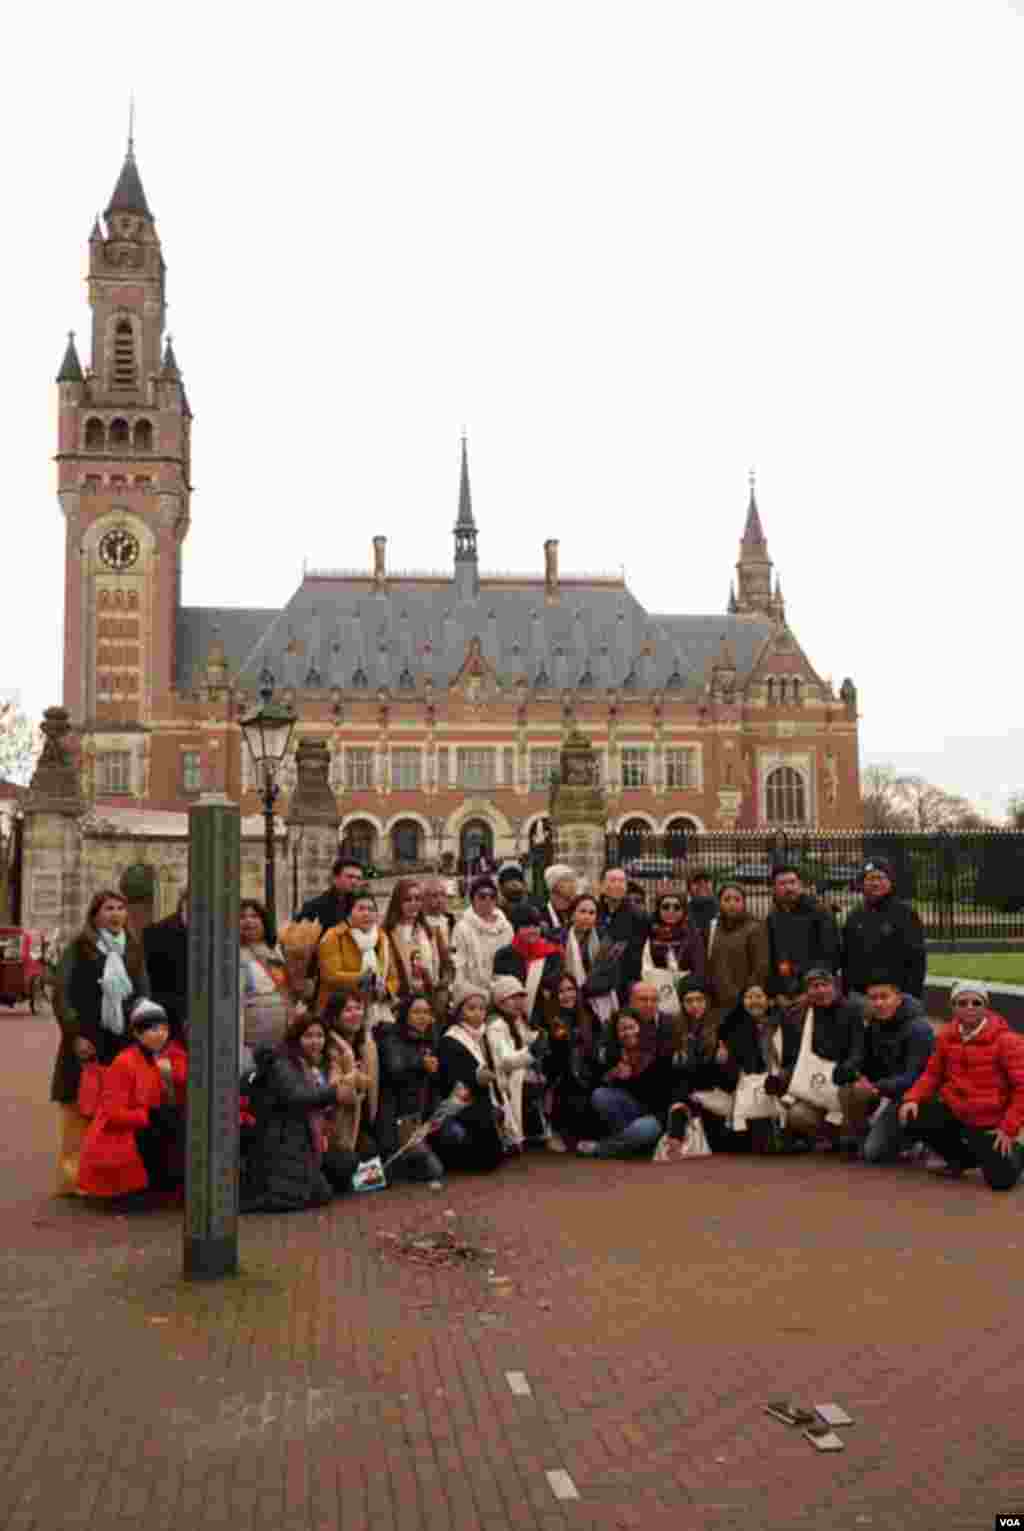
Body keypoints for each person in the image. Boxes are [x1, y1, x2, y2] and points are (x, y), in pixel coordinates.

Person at [51, 889, 150, 1196]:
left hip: (121, 1040)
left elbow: (143, 991)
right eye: (109, 908)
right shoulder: (79, 948)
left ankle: (107, 1177)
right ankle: (72, 1179)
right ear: (95, 914)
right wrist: (74, 1034)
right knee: (79, 1108)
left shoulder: (132, 949)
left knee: (113, 1109)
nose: (116, 914)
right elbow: (61, 993)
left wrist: (143, 1027)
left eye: (121, 908)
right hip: (85, 1039)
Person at [898, 980, 1024, 1191]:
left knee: (1000, 1182)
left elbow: (1022, 1087)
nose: (969, 1007)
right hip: (956, 1112)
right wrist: (912, 1098)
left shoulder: (1007, 1041)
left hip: (990, 1122)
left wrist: (1008, 1128)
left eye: (976, 1002)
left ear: (986, 1006)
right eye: (962, 1002)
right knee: (912, 1115)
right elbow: (932, 1074)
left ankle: (1017, 1152)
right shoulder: (947, 1036)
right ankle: (960, 1160)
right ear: (953, 1007)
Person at [242, 1014, 354, 1212]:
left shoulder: (307, 1064)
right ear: (296, 1038)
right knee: (317, 1192)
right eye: (308, 1036)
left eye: (320, 1036)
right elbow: (297, 1096)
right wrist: (334, 1093)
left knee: (339, 1174)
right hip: (280, 1147)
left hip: (298, 1144)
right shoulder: (283, 1063)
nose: (315, 1042)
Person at [78, 999, 187, 1199]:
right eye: (152, 1029)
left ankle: (165, 1185)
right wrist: (148, 1116)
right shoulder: (125, 1062)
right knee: (169, 1123)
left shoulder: (165, 1055)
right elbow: (113, 1114)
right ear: (137, 1033)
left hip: (147, 1122)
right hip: (122, 1131)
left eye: (164, 1028)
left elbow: (185, 1079)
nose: (161, 1034)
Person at [832, 976, 933, 1162]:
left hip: (913, 1097)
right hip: (886, 1091)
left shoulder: (919, 1029)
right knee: (848, 1091)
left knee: (874, 1153)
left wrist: (877, 1087)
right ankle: (862, 1139)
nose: (878, 1003)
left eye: (884, 997)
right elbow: (864, 1063)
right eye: (873, 998)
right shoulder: (873, 1025)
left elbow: (916, 1076)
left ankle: (916, 1140)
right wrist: (848, 1068)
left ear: (898, 998)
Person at [773, 969, 865, 1150]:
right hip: (812, 1084)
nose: (821, 990)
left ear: (835, 987)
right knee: (796, 1115)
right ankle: (828, 1136)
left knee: (858, 1092)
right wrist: (784, 1079)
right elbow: (791, 1057)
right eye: (815, 987)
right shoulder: (798, 1015)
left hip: (843, 1083)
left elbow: (859, 1050)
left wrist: (848, 1067)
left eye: (825, 985)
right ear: (807, 991)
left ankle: (852, 1132)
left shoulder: (851, 1011)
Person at [577, 999, 673, 1159]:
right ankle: (630, 1144)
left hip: (656, 1114)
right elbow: (596, 1083)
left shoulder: (656, 1049)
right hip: (631, 1111)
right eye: (622, 1029)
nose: (628, 1033)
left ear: (640, 1027)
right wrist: (613, 1076)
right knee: (600, 1095)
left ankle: (603, 1148)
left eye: (631, 1027)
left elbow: (663, 1092)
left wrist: (634, 1077)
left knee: (640, 1130)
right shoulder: (614, 1052)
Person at [717, 983, 799, 1152]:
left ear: (768, 1001)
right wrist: (725, 1061)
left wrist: (782, 1076)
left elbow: (793, 1058)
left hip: (782, 1084)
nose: (754, 1001)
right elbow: (732, 1068)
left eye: (759, 996)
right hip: (748, 1089)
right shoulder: (733, 1027)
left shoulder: (783, 1024)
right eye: (749, 997)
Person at [375, 995, 445, 1185]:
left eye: (426, 1012)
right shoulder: (392, 1036)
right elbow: (394, 1068)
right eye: (416, 1012)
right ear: (405, 1015)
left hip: (416, 1119)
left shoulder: (429, 1039)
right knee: (429, 1170)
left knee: (437, 1166)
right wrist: (420, 1064)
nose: (422, 1017)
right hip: (393, 1118)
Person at [435, 987, 505, 1171]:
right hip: (460, 1104)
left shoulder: (483, 1035)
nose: (477, 1014)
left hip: (481, 1098)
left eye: (482, 1009)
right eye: (471, 1008)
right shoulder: (451, 1039)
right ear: (459, 1012)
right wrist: (476, 1077)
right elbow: (450, 1079)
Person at [842, 859, 926, 1003]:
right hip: (862, 997)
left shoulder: (905, 914)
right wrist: (848, 992)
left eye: (880, 878)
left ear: (890, 881)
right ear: (862, 883)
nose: (875, 883)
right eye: (870, 878)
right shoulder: (854, 916)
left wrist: (910, 996)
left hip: (897, 997)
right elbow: (846, 958)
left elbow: (917, 959)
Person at [668, 978, 734, 1151]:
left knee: (722, 1142)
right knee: (680, 1090)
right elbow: (673, 1073)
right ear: (682, 1003)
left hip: (715, 1094)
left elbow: (729, 1077)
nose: (695, 1005)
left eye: (699, 999)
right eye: (689, 1001)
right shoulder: (675, 1027)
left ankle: (676, 1136)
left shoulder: (721, 1025)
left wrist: (723, 1062)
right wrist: (677, 1061)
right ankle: (675, 1136)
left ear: (707, 1001)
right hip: (688, 1094)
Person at [487, 975, 551, 1148]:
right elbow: (506, 1060)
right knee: (531, 1081)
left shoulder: (515, 1020)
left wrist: (542, 1036)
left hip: (515, 1077)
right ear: (500, 1002)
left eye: (520, 997)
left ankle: (535, 1128)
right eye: (512, 998)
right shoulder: (496, 1025)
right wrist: (532, 1051)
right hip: (504, 1082)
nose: (518, 1002)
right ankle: (528, 1131)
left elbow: (526, 1038)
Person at [764, 865, 839, 1007]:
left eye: (792, 882)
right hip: (784, 997)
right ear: (774, 888)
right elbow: (771, 958)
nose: (788, 888)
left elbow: (830, 957)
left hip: (816, 996)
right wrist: (776, 993)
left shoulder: (820, 913)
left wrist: (811, 992)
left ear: (800, 885)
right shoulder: (772, 919)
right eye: (782, 883)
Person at [317, 887, 396, 1016]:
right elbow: (330, 975)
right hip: (341, 1011)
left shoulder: (382, 938)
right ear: (348, 912)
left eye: (371, 909)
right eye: (361, 909)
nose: (367, 914)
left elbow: (393, 977)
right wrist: (365, 979)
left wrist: (386, 990)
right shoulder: (334, 936)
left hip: (378, 1009)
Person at [323, 989, 380, 1165]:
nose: (355, 1014)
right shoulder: (329, 1047)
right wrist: (353, 1079)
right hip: (337, 1127)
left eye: (358, 1008)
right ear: (334, 1017)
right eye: (348, 1010)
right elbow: (332, 1091)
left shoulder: (367, 1044)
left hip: (363, 1121)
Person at [705, 883, 770, 1031]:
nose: (732, 904)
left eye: (737, 899)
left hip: (744, 1004)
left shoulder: (754, 928)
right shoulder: (713, 928)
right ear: (719, 902)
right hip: (718, 1003)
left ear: (743, 902)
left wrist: (747, 998)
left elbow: (761, 966)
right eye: (727, 899)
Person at [492, 903, 563, 1026]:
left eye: (535, 925)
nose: (532, 930)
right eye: (525, 926)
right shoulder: (503, 956)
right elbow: (501, 993)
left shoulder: (552, 954)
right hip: (512, 1021)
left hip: (545, 1021)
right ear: (516, 928)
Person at [239, 899, 291, 1067]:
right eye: (242, 917)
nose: (249, 921)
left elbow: (287, 992)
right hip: (249, 1044)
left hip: (280, 1040)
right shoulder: (232, 955)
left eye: (254, 916)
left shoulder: (276, 952)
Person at [562, 893, 622, 1029]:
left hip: (598, 1003)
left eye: (592, 913)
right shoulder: (559, 938)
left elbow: (612, 977)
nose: (587, 917)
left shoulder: (604, 940)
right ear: (572, 914)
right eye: (582, 911)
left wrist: (583, 991)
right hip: (566, 1001)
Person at [382, 878, 444, 1002]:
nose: (413, 903)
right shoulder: (386, 933)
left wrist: (442, 990)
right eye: (407, 899)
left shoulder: (431, 931)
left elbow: (446, 966)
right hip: (400, 1000)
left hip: (430, 997)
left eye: (417, 898)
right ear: (397, 902)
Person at [596, 867, 650, 1005]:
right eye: (612, 880)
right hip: (598, 979)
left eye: (622, 881)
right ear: (601, 886)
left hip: (627, 981)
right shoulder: (594, 912)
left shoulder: (639, 916)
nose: (618, 885)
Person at [450, 877, 514, 993]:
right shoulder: (462, 928)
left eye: (492, 896)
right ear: (472, 899)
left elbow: (511, 962)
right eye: (482, 896)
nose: (488, 900)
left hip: (502, 990)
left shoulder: (506, 927)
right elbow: (459, 966)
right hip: (473, 992)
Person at [641, 891, 706, 1004]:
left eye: (677, 907)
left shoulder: (692, 934)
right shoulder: (649, 933)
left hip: (685, 995)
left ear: (684, 910)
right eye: (665, 907)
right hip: (655, 993)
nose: (671, 911)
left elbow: (700, 967)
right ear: (658, 910)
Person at [142, 888, 189, 1038]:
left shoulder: (220, 933)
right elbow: (150, 985)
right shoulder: (156, 933)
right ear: (184, 901)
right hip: (171, 1024)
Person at [296, 855, 364, 929]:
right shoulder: (313, 907)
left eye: (358, 878)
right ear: (335, 878)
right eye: (350, 876)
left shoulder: (363, 907)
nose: (354, 881)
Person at [543, 863, 579, 937]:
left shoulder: (578, 912)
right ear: (553, 885)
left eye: (573, 880)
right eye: (567, 880)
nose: (573, 884)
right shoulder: (541, 915)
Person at [686, 871, 718, 937]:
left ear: (714, 887)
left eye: (706, 881)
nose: (702, 884)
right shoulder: (682, 913)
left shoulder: (723, 911)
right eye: (696, 881)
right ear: (689, 889)